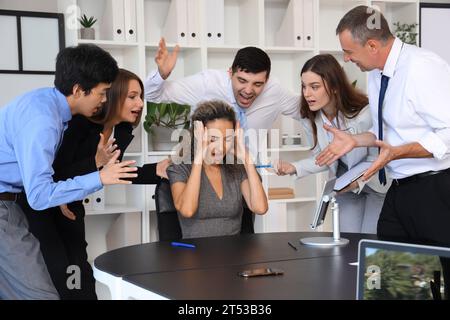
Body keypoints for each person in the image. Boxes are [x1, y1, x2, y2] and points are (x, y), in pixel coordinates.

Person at [18, 68, 172, 300]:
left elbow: (113, 172)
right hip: (43, 205)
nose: (140, 103)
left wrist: (156, 170)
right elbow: (52, 172)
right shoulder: (79, 124)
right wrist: (95, 162)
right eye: (132, 96)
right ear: (112, 94)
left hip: (71, 205)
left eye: (140, 96)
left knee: (80, 272)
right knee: (59, 274)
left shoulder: (122, 130)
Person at [0, 44, 137, 299]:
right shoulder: (44, 122)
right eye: (102, 92)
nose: (105, 100)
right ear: (77, 90)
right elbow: (40, 196)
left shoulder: (47, 104)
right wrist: (99, 177)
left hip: (11, 204)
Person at [316, 5, 450, 248]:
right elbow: (387, 134)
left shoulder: (422, 67)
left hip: (435, 188)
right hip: (399, 189)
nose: (346, 59)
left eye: (348, 52)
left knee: (438, 272)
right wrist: (355, 140)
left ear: (373, 46)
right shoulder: (377, 72)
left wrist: (398, 153)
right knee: (385, 265)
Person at [273, 54, 390, 233]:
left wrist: (355, 182)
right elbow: (323, 157)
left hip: (374, 184)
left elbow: (377, 158)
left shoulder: (363, 113)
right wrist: (294, 167)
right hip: (345, 186)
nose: (307, 94)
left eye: (315, 87)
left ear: (334, 87)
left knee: (369, 242)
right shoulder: (311, 118)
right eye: (304, 87)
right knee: (347, 242)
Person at [144, 38, 300, 132]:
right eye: (242, 80)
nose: (248, 90)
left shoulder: (274, 90)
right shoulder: (207, 83)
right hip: (204, 172)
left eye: (257, 84)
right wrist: (161, 74)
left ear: (266, 81)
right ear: (230, 73)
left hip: (248, 173)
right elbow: (152, 94)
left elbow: (308, 109)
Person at [167, 100, 268, 239]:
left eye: (227, 139)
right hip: (196, 255)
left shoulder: (237, 168)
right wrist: (199, 155)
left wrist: (246, 159)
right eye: (213, 139)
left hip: (234, 254)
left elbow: (260, 208)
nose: (221, 147)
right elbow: (187, 210)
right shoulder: (180, 168)